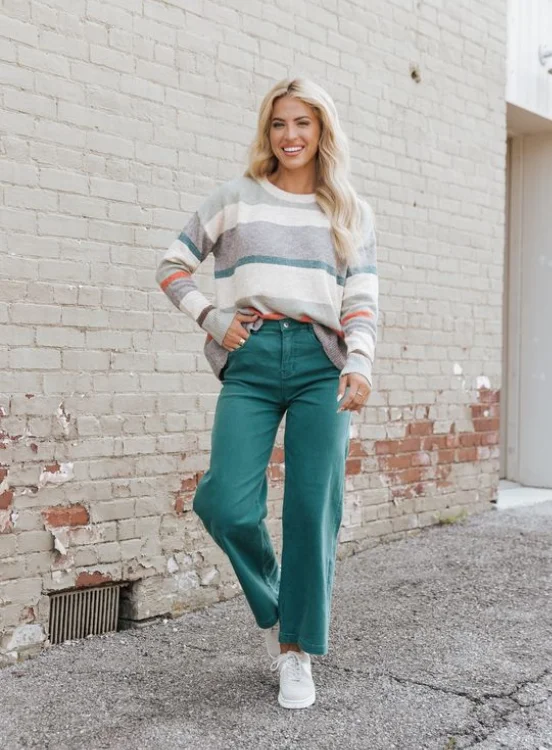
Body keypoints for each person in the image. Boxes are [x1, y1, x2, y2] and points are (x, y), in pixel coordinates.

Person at [156, 78, 378, 709]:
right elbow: (172, 265)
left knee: (312, 511)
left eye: (303, 123)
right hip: (250, 359)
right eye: (279, 124)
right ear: (267, 130)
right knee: (226, 503)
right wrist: (211, 316)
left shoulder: (350, 212)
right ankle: (280, 603)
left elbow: (360, 298)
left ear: (322, 131)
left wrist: (359, 363)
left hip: (321, 363)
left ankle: (296, 652)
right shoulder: (235, 199)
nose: (290, 136)